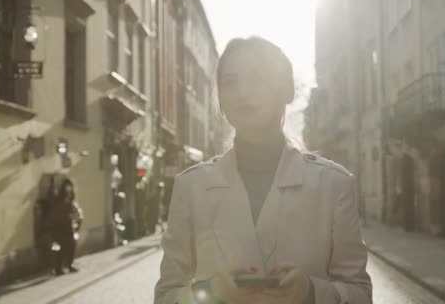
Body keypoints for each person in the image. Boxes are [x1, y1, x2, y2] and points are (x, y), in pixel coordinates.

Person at [154, 37, 372, 304]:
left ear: (286, 89)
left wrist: (310, 292)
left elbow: (360, 293)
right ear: (220, 100)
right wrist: (210, 293)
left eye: (257, 78)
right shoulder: (191, 188)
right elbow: (166, 295)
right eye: (230, 82)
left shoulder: (333, 186)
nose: (243, 93)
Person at [48, 178, 83, 275]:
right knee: (60, 247)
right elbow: (57, 211)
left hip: (68, 226)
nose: (69, 190)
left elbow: (74, 210)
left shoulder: (71, 199)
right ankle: (58, 268)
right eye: (67, 187)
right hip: (59, 226)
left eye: (70, 187)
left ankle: (69, 265)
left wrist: (76, 219)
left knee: (71, 246)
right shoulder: (60, 199)